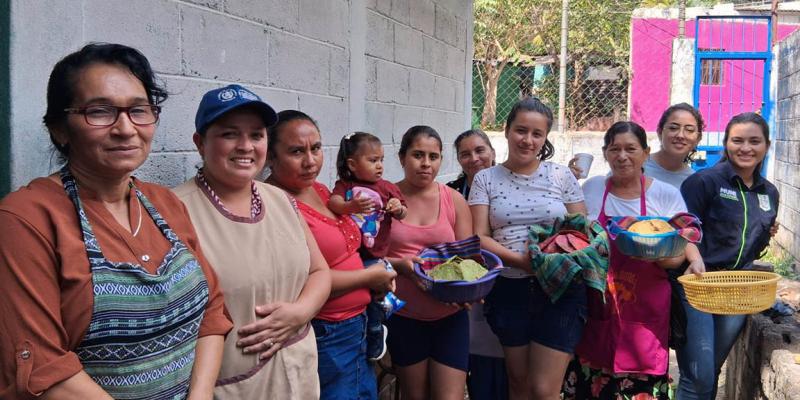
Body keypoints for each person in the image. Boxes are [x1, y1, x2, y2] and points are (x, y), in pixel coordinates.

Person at [0, 43, 232, 399]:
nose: (126, 128)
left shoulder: (164, 202)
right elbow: (44, 368)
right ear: (60, 130)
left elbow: (212, 311)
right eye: (100, 111)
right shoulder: (26, 220)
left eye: (139, 110)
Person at [172, 85, 331, 399]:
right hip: (231, 387)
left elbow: (319, 271)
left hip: (296, 375)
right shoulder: (175, 210)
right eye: (230, 134)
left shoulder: (281, 200)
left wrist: (301, 312)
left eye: (257, 135)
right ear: (200, 142)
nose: (245, 146)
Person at [565, 121, 705, 400]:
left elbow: (678, 252)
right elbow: (573, 235)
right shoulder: (591, 189)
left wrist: (657, 251)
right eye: (614, 149)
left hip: (646, 307)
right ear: (605, 153)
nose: (622, 156)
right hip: (599, 303)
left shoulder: (664, 194)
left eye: (631, 149)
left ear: (645, 153)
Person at [265, 110, 396, 400]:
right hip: (327, 331)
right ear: (270, 157)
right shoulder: (274, 204)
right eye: (296, 151)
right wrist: (370, 276)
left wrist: (380, 272)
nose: (310, 161)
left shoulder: (322, 191)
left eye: (316, 148)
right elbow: (301, 278)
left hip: (356, 324)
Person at [469, 97, 587, 400]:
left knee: (544, 390)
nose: (528, 140)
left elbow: (582, 231)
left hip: (560, 289)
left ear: (545, 138)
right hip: (509, 288)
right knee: (518, 383)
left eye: (537, 134)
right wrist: (523, 263)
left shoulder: (561, 176)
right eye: (521, 130)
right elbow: (479, 236)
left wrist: (550, 260)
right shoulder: (485, 178)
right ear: (507, 130)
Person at [675, 112, 779, 400]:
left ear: (767, 146)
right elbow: (682, 229)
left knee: (712, 368)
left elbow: (754, 245)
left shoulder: (769, 193)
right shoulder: (704, 182)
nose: (746, 148)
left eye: (754, 141)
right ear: (726, 144)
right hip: (698, 287)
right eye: (738, 140)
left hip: (736, 290)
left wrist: (765, 234)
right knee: (698, 376)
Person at [383, 126, 474, 400]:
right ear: (401, 158)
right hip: (404, 317)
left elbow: (468, 260)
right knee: (414, 396)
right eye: (417, 155)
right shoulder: (385, 200)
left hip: (450, 317)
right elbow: (366, 258)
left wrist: (464, 290)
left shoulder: (453, 199)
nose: (426, 164)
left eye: (433, 157)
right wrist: (400, 266)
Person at [328, 131, 408, 360]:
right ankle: (367, 329)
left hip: (375, 255)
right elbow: (333, 203)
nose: (379, 166)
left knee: (374, 298)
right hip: (351, 254)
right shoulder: (345, 185)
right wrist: (349, 206)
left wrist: (396, 207)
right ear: (352, 165)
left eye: (381, 160)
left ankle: (375, 332)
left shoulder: (387, 187)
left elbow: (404, 211)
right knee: (360, 298)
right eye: (373, 160)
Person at [447, 129, 506, 400]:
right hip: (462, 287)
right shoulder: (449, 193)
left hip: (502, 280)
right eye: (465, 154)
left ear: (493, 153)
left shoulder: (510, 187)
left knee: (502, 363)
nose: (474, 158)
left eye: (480, 150)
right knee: (469, 357)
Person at [645, 103, 705, 187]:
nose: (680, 135)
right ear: (659, 132)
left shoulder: (693, 182)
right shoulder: (638, 167)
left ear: (698, 138)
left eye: (689, 130)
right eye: (673, 128)